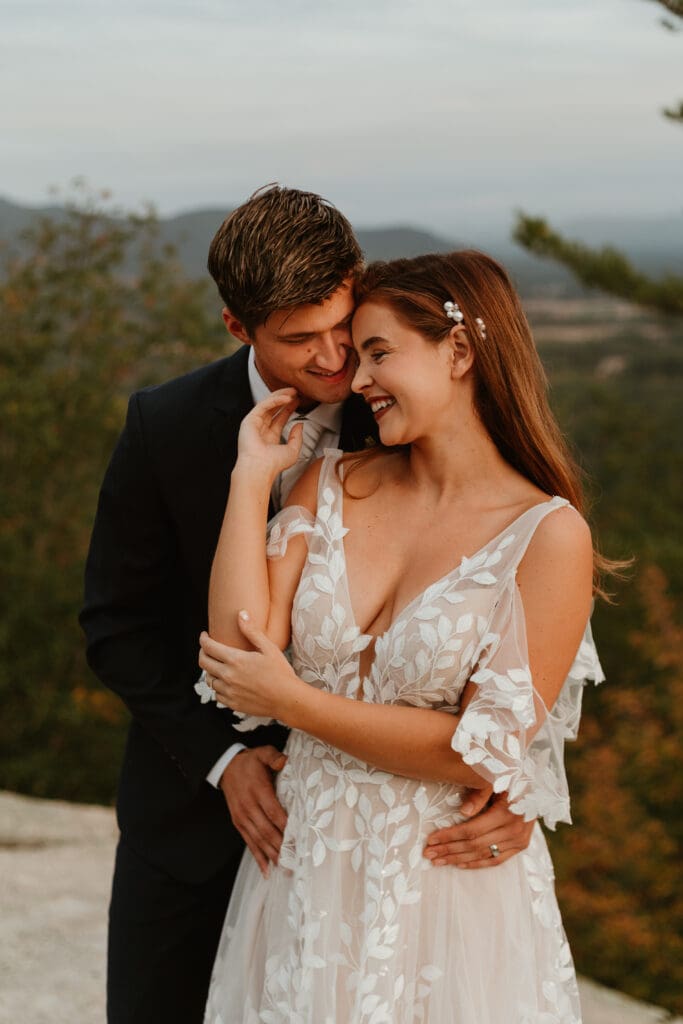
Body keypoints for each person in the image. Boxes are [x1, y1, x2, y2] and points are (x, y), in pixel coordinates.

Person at [79, 189, 532, 1024]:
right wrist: (223, 761)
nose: (333, 361)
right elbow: (116, 625)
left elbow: (513, 609)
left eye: (342, 325)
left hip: (385, 846)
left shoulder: (409, 402)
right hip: (189, 822)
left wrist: (515, 779)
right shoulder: (165, 425)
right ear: (236, 327)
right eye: (299, 340)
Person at [198, 250, 606, 1023]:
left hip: (443, 891)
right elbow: (237, 646)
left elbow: (480, 749)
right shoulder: (327, 481)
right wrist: (251, 479)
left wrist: (297, 703)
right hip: (302, 876)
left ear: (458, 351)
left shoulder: (547, 536)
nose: (355, 381)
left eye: (378, 353)